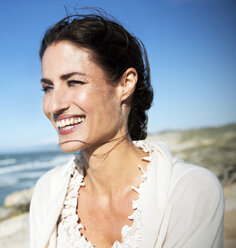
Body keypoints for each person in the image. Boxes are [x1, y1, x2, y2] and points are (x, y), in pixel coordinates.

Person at [29, 12, 224, 248]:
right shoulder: (47, 192)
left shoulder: (190, 192)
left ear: (125, 83)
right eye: (48, 87)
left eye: (74, 82)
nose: (53, 105)